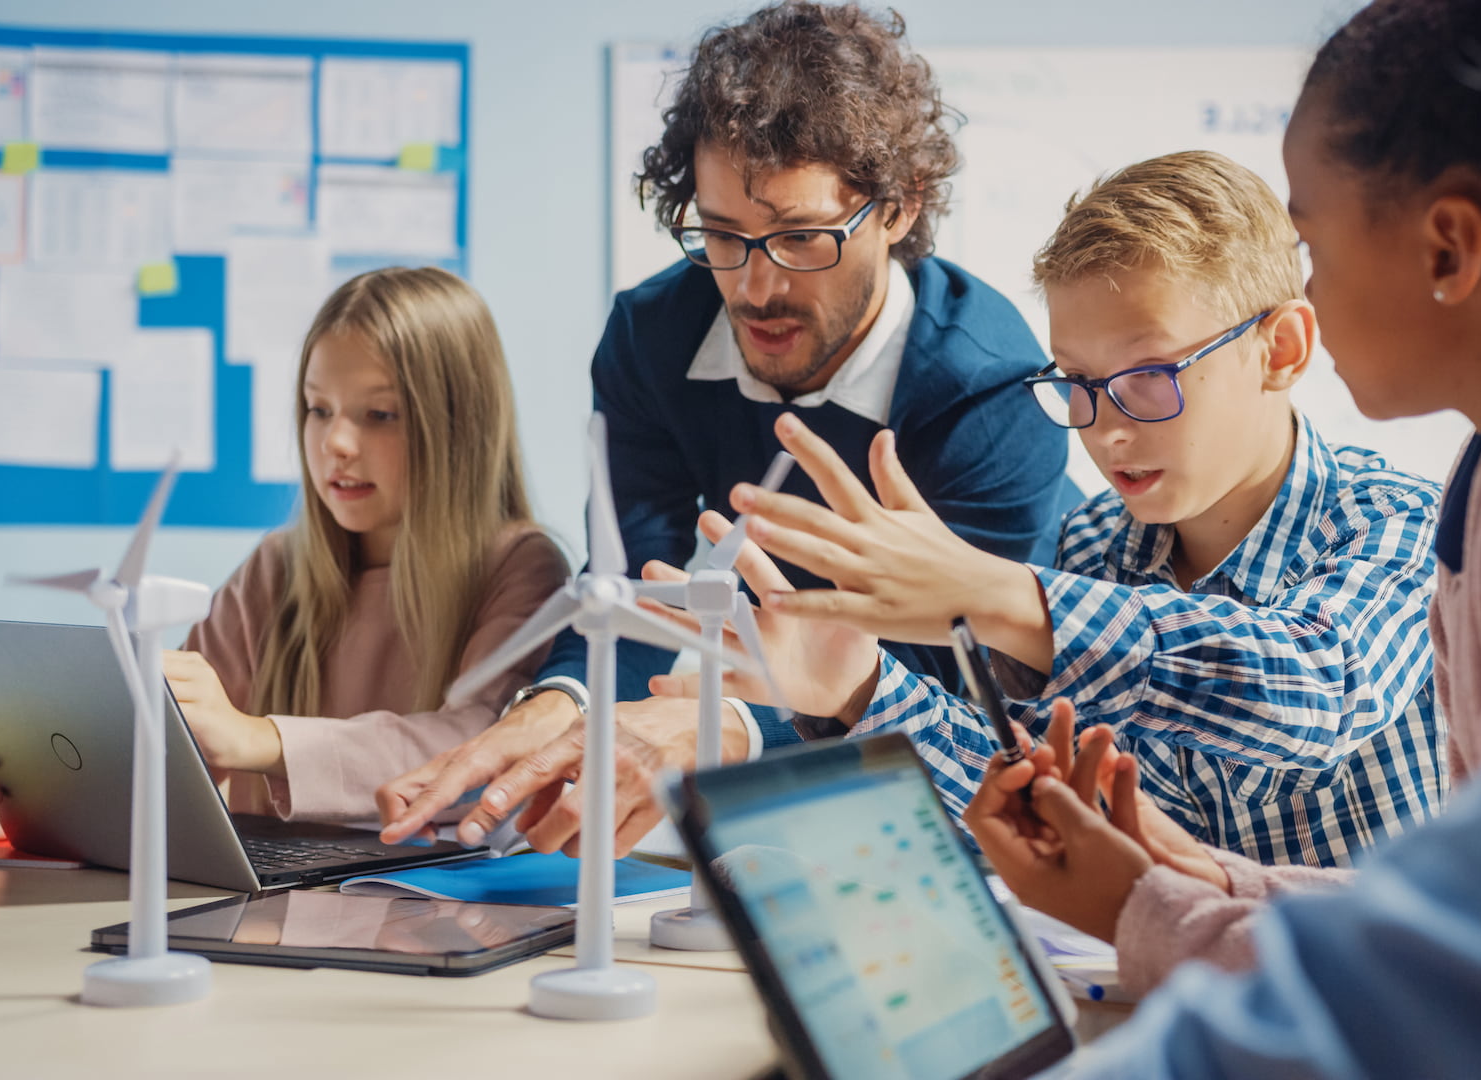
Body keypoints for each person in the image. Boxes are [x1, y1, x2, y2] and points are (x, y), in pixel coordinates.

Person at [1052, 3, 1481, 1070]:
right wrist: (1203, 889)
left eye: (1309, 243)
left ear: (1448, 245)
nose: (1300, 292)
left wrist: (1009, 604)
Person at [376, 1, 1080, 857]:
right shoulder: (650, 340)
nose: (754, 289)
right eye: (722, 235)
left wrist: (719, 727)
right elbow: (639, 586)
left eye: (800, 238)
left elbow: (960, 690)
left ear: (898, 208)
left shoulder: (992, 389)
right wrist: (558, 708)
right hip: (757, 786)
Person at [708, 150, 1445, 870]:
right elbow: (1039, 817)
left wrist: (998, 595)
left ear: (1280, 348)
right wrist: (859, 689)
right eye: (1079, 381)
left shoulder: (1397, 524)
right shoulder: (1092, 548)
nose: (1107, 427)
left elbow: (1318, 688)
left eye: (1151, 375)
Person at [0, 267, 571, 840]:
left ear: (460, 427)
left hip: (442, 902)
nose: (336, 442)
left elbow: (480, 743)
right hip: (269, 905)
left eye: (380, 414)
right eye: (318, 409)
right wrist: (23, 799)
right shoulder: (278, 567)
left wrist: (259, 739)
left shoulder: (522, 567)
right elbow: (174, 749)